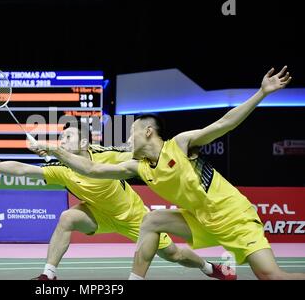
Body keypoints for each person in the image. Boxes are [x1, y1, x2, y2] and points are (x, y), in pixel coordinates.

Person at [39, 67, 305, 280]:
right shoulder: (138, 166)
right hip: (199, 219)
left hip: (233, 216)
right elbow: (92, 169)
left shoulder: (181, 144)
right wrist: (56, 151)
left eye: (132, 133)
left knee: (271, 276)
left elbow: (225, 123)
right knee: (152, 221)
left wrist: (262, 93)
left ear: (148, 132)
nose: (128, 139)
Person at [0, 123, 234, 280]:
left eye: (67, 136)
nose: (62, 140)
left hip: (133, 218)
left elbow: (137, 153)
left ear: (84, 141)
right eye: (61, 137)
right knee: (67, 217)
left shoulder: (108, 156)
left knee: (173, 254)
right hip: (98, 215)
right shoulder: (62, 169)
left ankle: (208, 267)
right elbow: (22, 168)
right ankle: (49, 275)